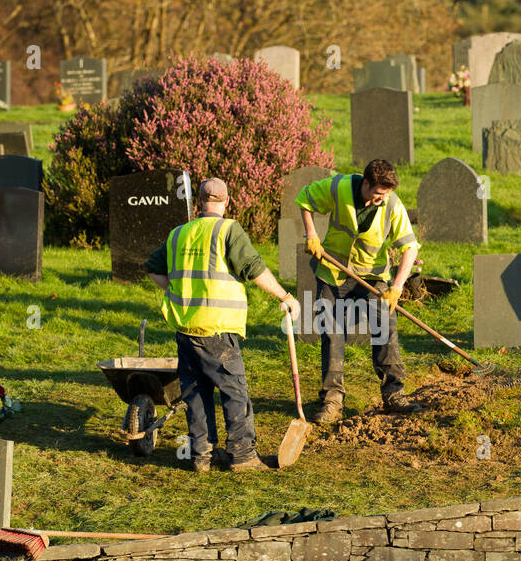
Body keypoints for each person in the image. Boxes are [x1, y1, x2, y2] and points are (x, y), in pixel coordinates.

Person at [145, 178, 300, 472]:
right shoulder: (228, 229)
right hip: (217, 330)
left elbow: (152, 268)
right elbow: (254, 268)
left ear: (197, 204)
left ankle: (200, 457)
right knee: (234, 391)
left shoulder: (179, 233)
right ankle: (242, 456)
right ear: (227, 202)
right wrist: (285, 296)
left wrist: (173, 289)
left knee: (196, 393)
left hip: (186, 330)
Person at [297, 159, 422, 423]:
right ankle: (332, 400)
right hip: (333, 273)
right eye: (378, 193)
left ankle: (393, 393)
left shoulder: (391, 204)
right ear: (365, 183)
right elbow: (305, 199)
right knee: (332, 334)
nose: (381, 199)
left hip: (373, 277)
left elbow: (410, 247)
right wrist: (311, 234)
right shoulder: (338, 187)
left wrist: (397, 287)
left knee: (384, 328)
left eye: (385, 194)